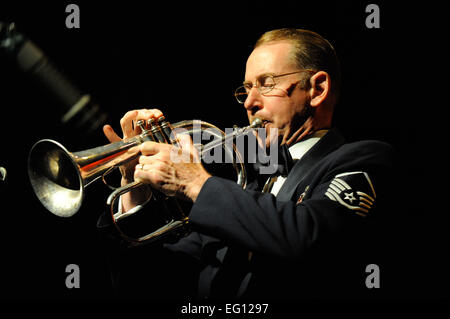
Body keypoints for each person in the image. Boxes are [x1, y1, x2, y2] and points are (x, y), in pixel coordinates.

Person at [100, 28, 394, 300]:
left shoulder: (366, 158)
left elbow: (309, 239)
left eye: (266, 84)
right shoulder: (248, 185)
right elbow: (146, 284)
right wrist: (133, 186)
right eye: (246, 88)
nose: (249, 102)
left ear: (317, 89)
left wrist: (195, 183)